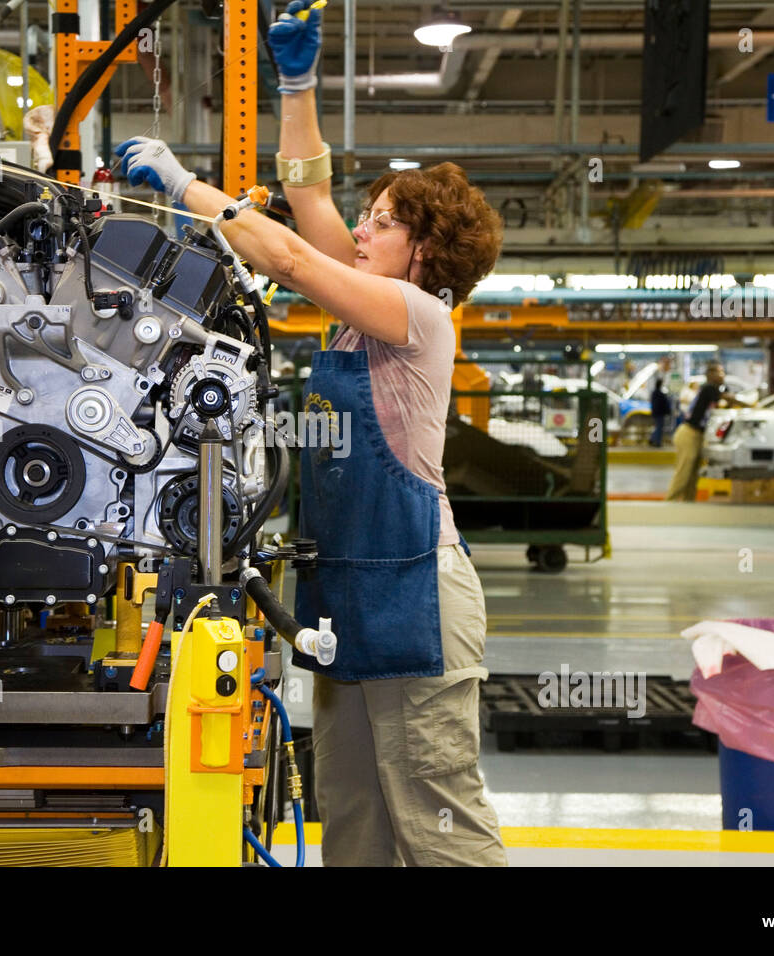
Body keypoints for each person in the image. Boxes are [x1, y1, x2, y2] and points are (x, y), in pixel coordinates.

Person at [114, 0, 507, 868]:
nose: (361, 230)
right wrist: (295, 82)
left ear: (426, 249)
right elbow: (306, 197)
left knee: (436, 809)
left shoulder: (415, 314)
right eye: (367, 218)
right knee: (354, 810)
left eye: (384, 221)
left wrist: (182, 184)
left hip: (417, 598)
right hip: (346, 593)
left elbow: (287, 256)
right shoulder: (361, 309)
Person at [666, 362, 749, 501]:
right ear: (710, 375)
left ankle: (688, 504)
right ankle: (669, 504)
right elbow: (728, 398)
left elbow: (725, 403)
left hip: (697, 436)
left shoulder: (714, 391)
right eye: (720, 372)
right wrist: (751, 405)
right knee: (684, 473)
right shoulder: (709, 388)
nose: (723, 375)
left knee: (693, 476)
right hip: (689, 434)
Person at [649, 357, 672, 447]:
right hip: (660, 413)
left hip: (655, 413)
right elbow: (664, 404)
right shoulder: (661, 394)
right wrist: (668, 411)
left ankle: (653, 439)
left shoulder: (654, 393)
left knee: (657, 427)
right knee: (659, 427)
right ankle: (657, 442)